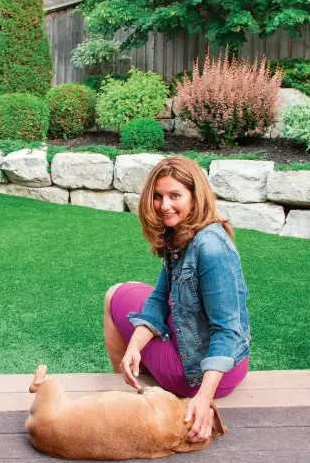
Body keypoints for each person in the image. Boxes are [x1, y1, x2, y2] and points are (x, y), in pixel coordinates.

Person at [103, 156, 251, 444]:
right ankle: (137, 364)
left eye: (174, 195)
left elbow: (227, 330)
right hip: (230, 365)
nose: (163, 205)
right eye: (158, 196)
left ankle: (132, 385)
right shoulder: (184, 234)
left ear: (196, 197)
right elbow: (160, 298)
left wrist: (203, 399)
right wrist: (135, 345)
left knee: (115, 294)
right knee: (139, 290)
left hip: (199, 376)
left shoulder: (210, 247)